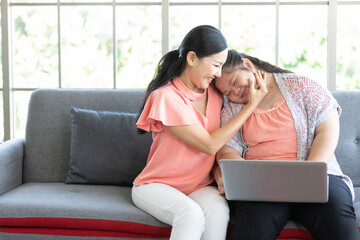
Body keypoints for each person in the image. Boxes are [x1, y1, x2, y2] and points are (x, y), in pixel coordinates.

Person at [131, 26, 267, 240]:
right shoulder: (166, 97)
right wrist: (251, 107)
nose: (218, 74)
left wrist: (219, 174)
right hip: (156, 186)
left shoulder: (216, 94)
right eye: (215, 65)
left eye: (221, 66)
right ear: (192, 58)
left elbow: (218, 149)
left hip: (199, 186)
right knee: (191, 214)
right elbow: (209, 145)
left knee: (218, 212)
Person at [213, 49, 360, 240]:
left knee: (338, 222)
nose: (235, 93)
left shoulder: (300, 86)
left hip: (316, 174)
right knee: (253, 227)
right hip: (261, 184)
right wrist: (239, 175)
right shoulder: (232, 109)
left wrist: (311, 172)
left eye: (234, 82)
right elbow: (227, 149)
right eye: (228, 92)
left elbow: (327, 129)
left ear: (248, 65)